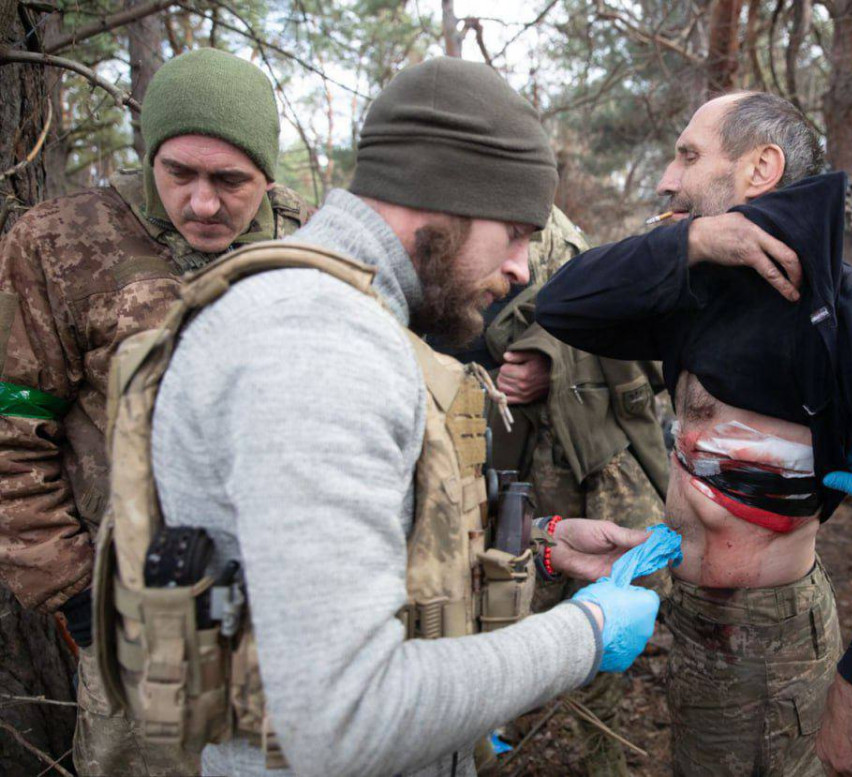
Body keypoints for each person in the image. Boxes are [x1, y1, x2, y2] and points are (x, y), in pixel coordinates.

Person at [104, 57, 662, 777]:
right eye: (516, 232)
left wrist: (543, 545)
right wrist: (582, 634)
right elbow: (343, 719)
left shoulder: (326, 309)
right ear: (445, 201)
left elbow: (346, 551)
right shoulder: (318, 342)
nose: (522, 267)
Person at [536, 91, 852, 776]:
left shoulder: (849, 310)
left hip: (773, 634)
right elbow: (562, 303)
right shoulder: (694, 295)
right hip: (696, 622)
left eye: (689, 155)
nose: (668, 179)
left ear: (760, 167)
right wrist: (694, 239)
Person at [0, 48, 307, 776]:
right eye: (178, 174)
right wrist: (79, 602)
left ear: (266, 173)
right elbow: (11, 438)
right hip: (136, 625)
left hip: (289, 612)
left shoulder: (309, 244)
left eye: (229, 180)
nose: (203, 203)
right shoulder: (57, 244)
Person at [432, 206, 669, 777]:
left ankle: (595, 752)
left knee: (602, 593)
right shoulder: (431, 241)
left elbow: (629, 337)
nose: (512, 266)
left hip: (578, 467)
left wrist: (550, 362)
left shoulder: (567, 245)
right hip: (479, 462)